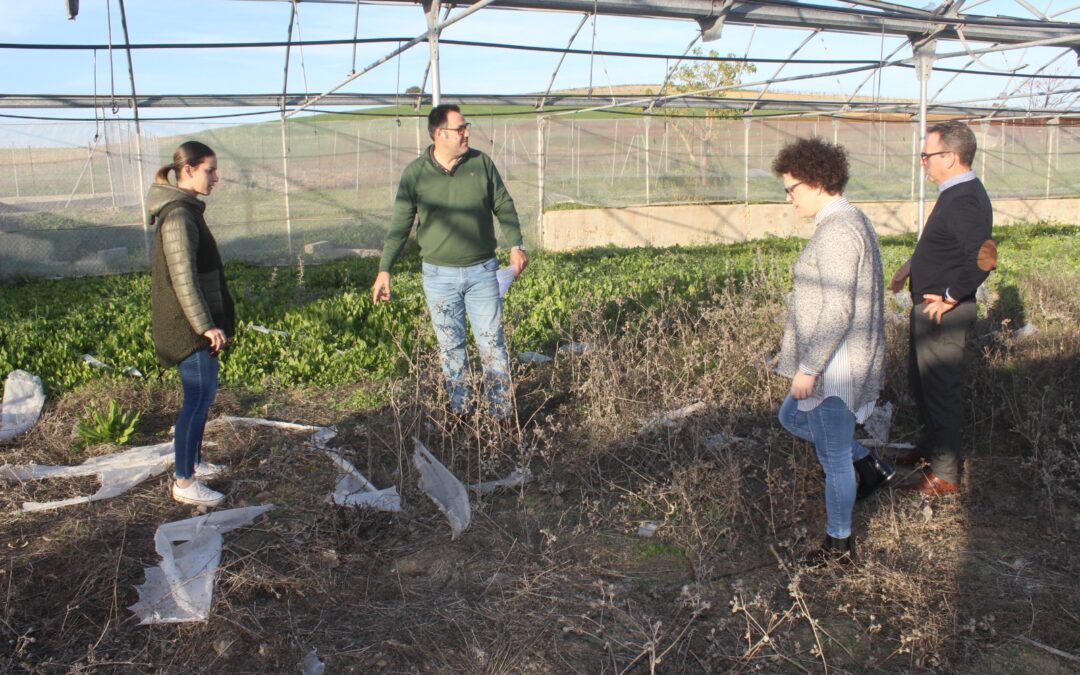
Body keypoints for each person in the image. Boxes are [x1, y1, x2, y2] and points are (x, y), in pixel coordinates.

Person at [773, 137, 895, 567]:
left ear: (819, 181)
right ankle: (870, 465)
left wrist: (809, 368)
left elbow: (839, 308)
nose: (789, 198)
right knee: (790, 416)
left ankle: (838, 546)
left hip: (836, 366)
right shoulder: (845, 221)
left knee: (833, 457)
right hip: (837, 358)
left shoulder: (839, 231)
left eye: (793, 189)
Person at [372, 104, 527, 420]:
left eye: (466, 126)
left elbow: (504, 205)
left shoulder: (480, 163)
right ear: (439, 134)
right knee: (451, 350)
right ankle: (462, 414)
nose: (467, 132)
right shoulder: (415, 174)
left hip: (483, 271)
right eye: (460, 128)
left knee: (492, 346)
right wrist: (384, 269)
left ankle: (501, 416)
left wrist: (516, 244)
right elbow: (400, 225)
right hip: (438, 276)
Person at [890, 121, 996, 497]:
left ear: (950, 157)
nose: (923, 162)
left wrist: (951, 295)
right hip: (931, 309)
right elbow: (944, 243)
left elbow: (984, 258)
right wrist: (912, 266)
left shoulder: (964, 198)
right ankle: (931, 448)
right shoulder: (956, 193)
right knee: (921, 384)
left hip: (944, 315)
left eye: (927, 155)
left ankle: (946, 476)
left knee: (941, 392)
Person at [149, 141, 235, 508]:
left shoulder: (186, 211)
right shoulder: (180, 216)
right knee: (196, 402)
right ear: (188, 170)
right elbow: (184, 278)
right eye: (209, 170)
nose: (216, 178)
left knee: (202, 398)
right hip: (188, 328)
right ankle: (184, 481)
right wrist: (205, 325)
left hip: (193, 324)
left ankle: (195, 462)